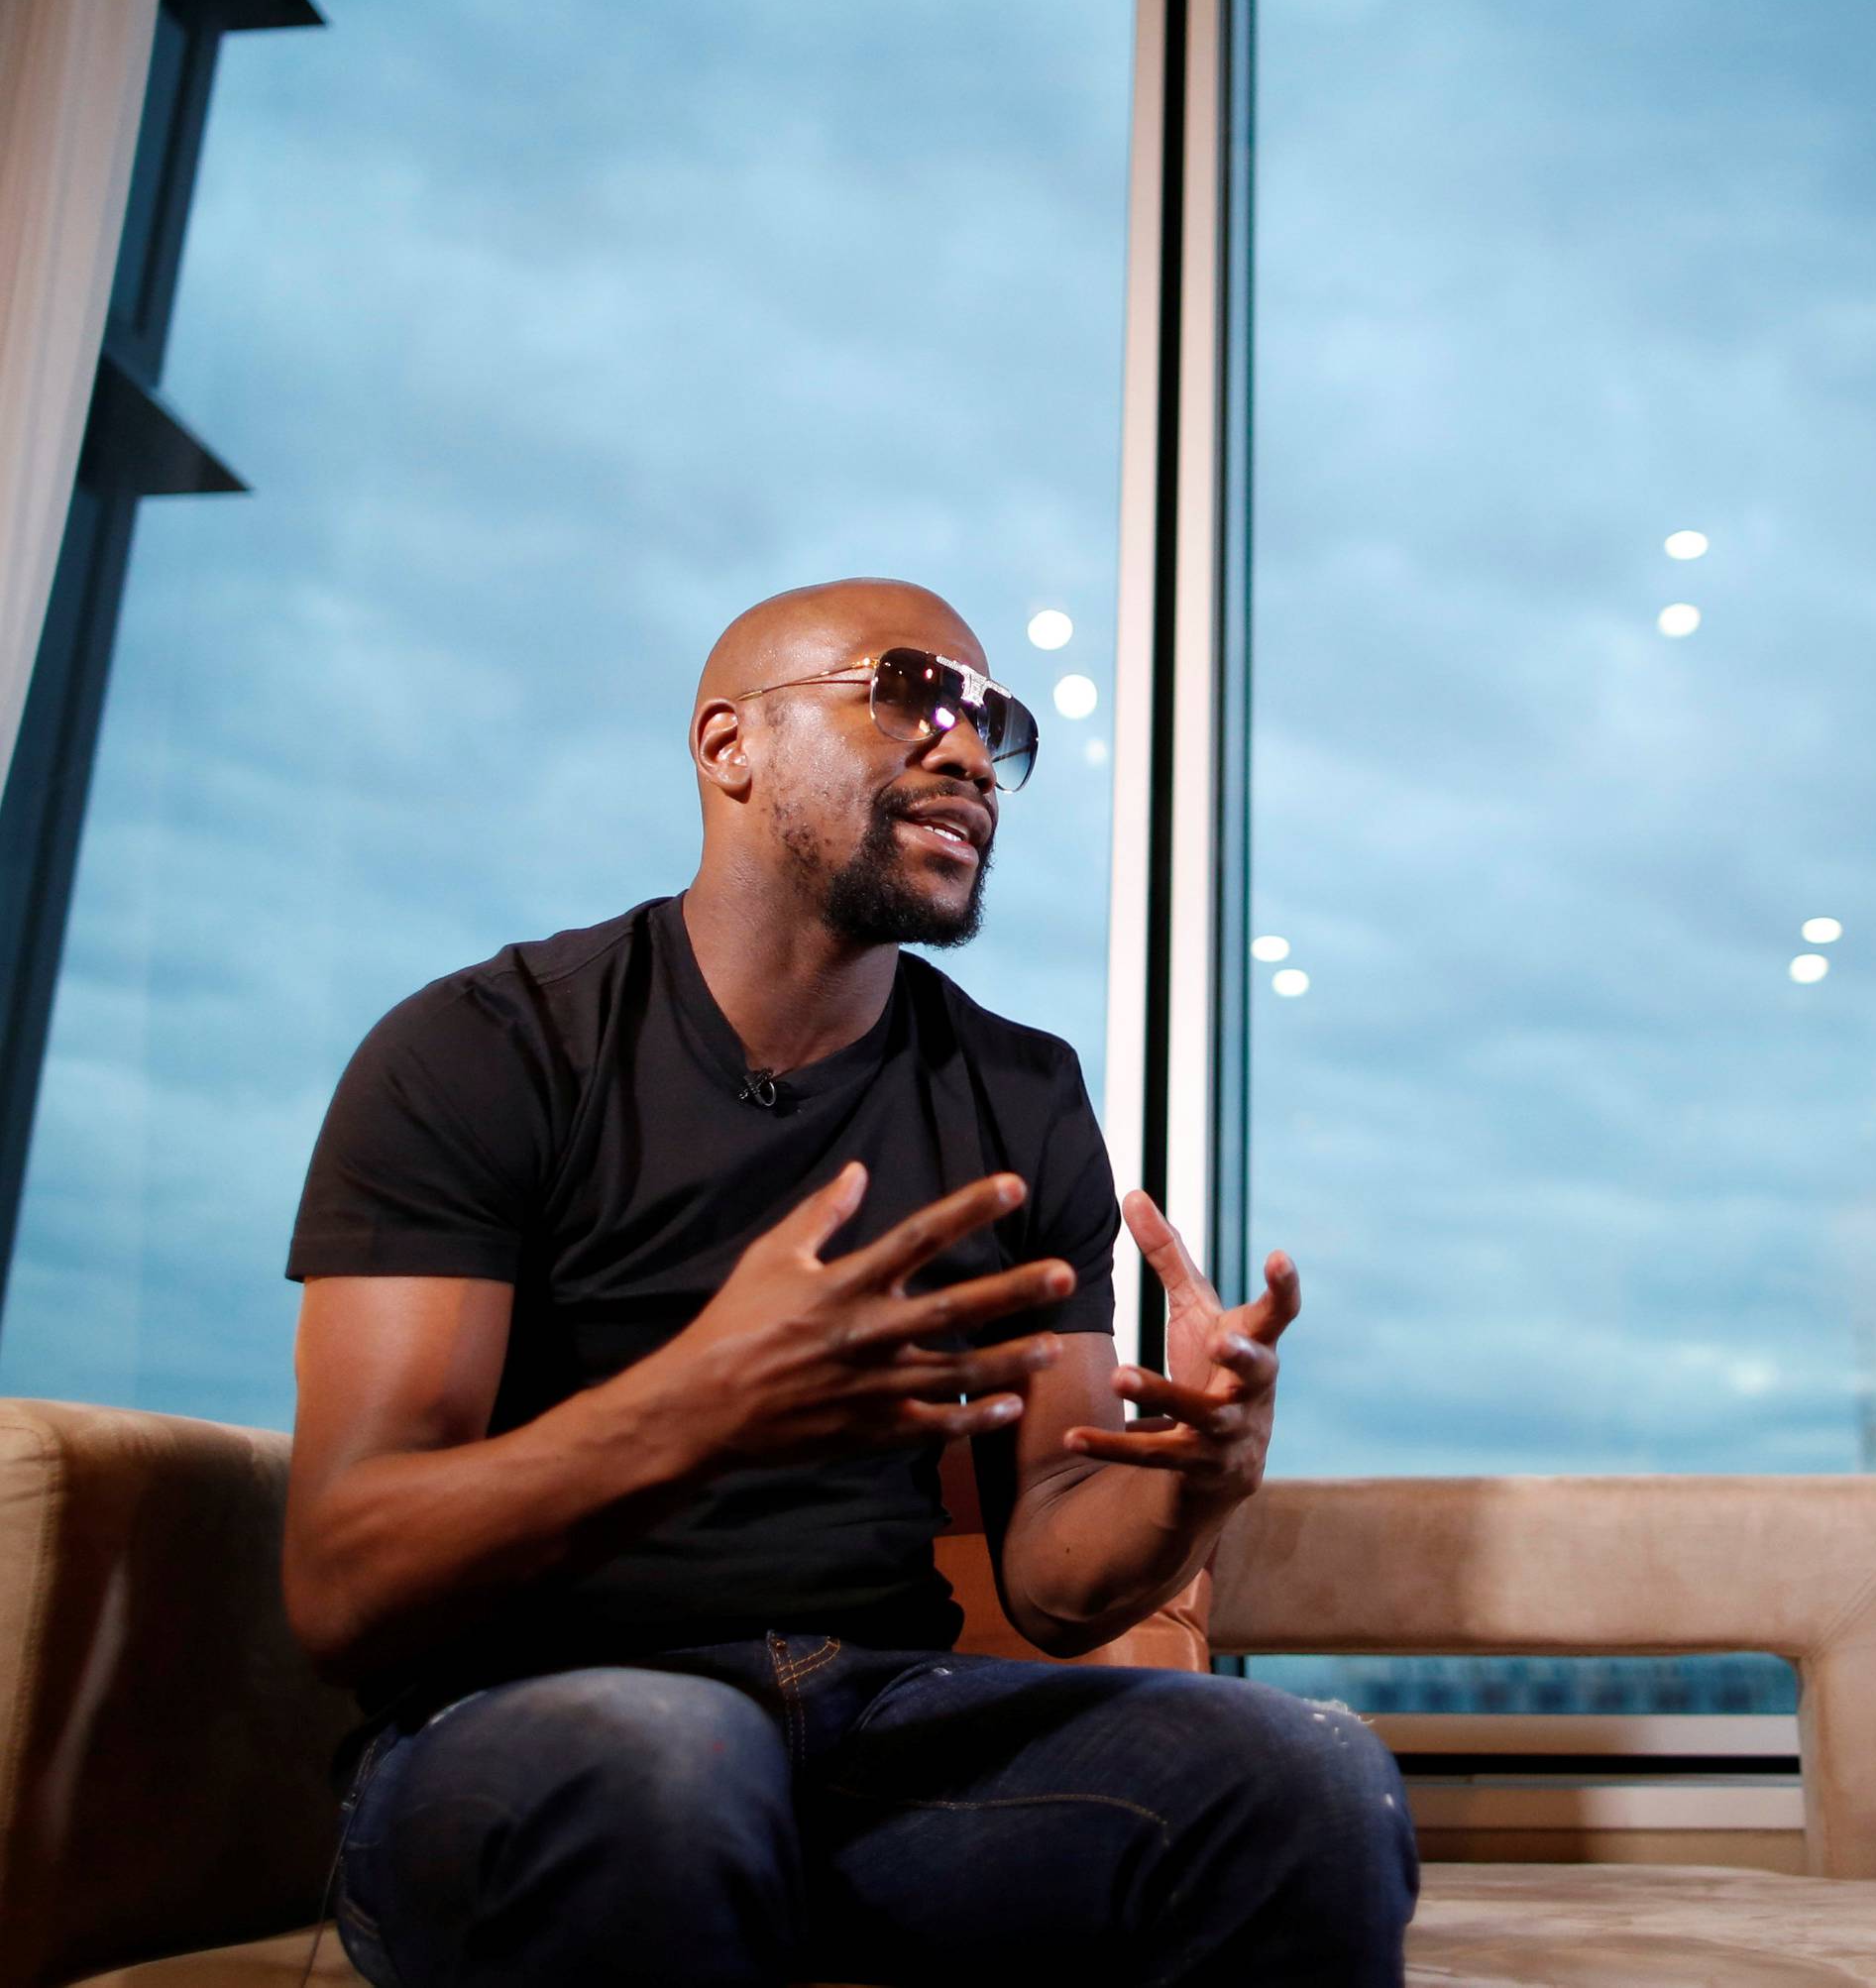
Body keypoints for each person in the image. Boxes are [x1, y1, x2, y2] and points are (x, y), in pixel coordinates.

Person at [282, 575, 1418, 1988]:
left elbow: (1058, 1578)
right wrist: (698, 1405)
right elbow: (343, 1579)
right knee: (665, 1763)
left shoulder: (1020, 1090)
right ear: (728, 747)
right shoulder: (486, 1050)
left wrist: (1193, 1477)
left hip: (874, 1728)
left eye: (992, 723)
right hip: (527, 1730)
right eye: (909, 695)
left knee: (1303, 1780)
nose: (967, 750)